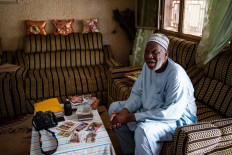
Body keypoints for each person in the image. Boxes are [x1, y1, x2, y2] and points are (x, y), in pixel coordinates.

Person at [108, 33, 197, 155]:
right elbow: (138, 93)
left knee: (143, 131)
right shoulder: (147, 67)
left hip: (176, 120)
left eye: (155, 52)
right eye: (146, 52)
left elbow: (171, 112)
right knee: (114, 108)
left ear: (166, 54)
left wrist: (130, 117)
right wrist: (125, 110)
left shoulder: (175, 75)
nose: (149, 56)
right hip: (152, 109)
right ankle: (129, 152)